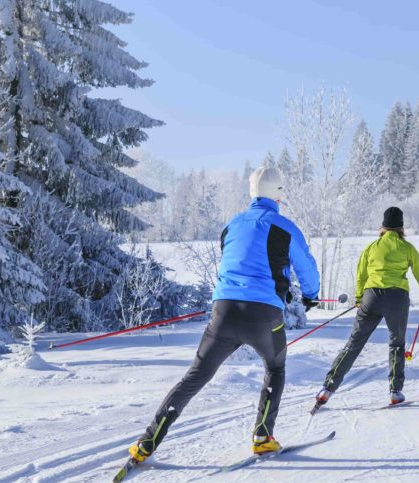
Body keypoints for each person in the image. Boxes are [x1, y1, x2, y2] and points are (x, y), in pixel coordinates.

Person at [128, 165, 320, 461]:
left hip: (224, 312)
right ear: (279, 195)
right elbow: (306, 268)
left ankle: (147, 441)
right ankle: (262, 436)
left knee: (195, 376)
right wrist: (310, 296)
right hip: (264, 315)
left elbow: (238, 260)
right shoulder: (284, 227)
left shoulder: (231, 225)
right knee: (276, 367)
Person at [315, 206, 419, 407]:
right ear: (401, 227)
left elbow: (361, 273)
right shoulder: (408, 248)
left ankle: (327, 388)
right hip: (397, 297)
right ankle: (395, 391)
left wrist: (360, 297)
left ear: (383, 227)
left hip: (372, 296)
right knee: (397, 343)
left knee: (354, 343)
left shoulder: (372, 247)